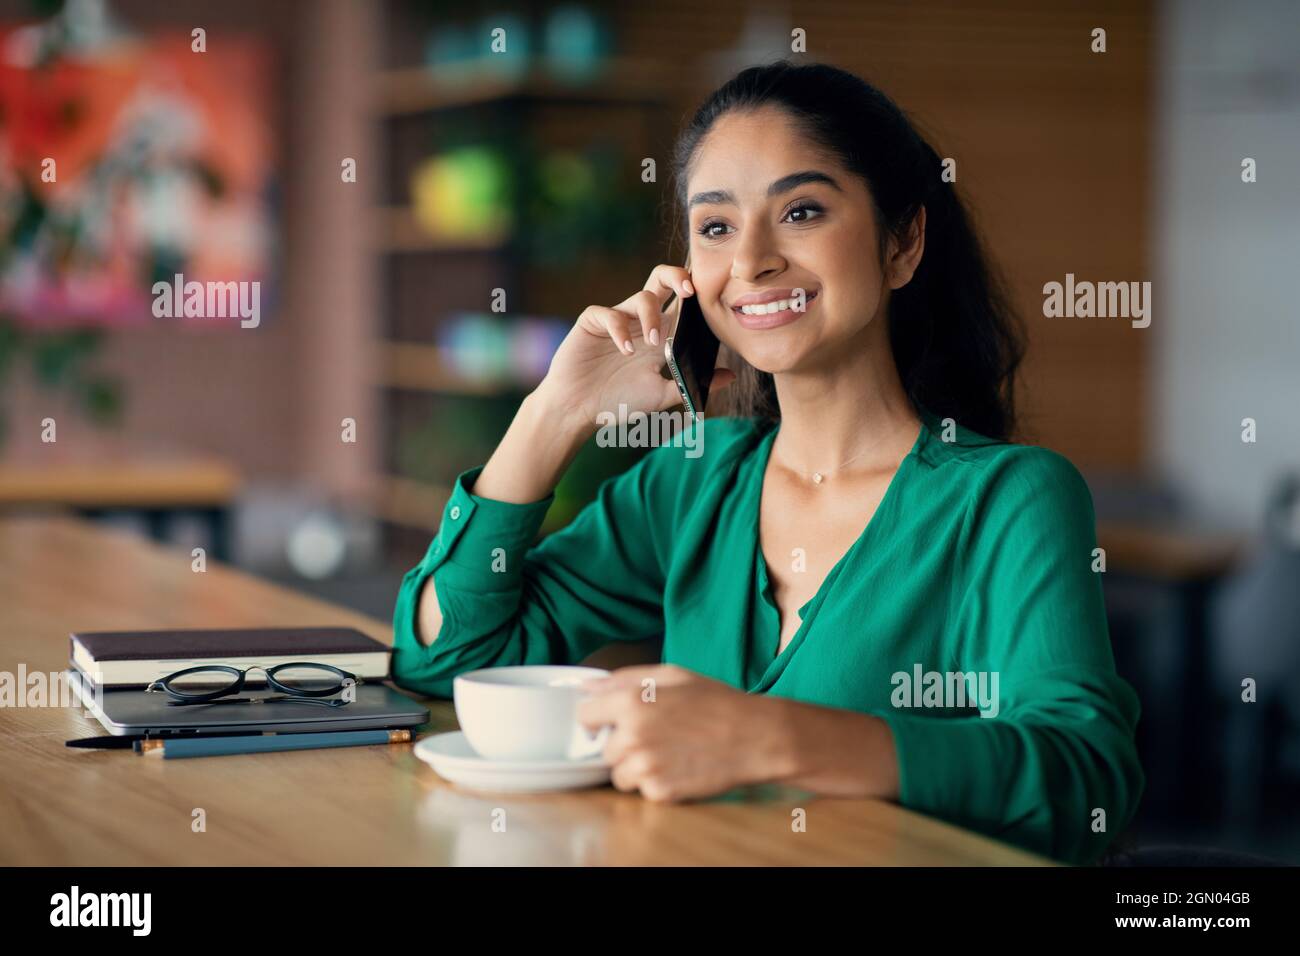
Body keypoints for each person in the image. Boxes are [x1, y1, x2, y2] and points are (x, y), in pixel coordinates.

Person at [391, 60, 1144, 865]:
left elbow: (1086, 782)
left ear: (903, 243)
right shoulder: (692, 477)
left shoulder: (1010, 499)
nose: (750, 261)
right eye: (715, 226)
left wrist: (775, 737)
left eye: (802, 211)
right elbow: (447, 658)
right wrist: (556, 413)